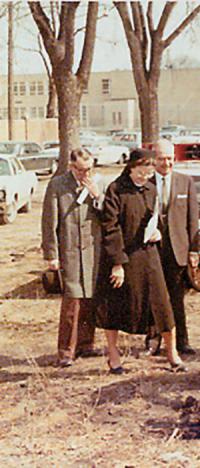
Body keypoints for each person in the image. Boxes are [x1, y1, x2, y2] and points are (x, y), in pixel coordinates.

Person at [95, 149, 186, 374]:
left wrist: (159, 233)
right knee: (114, 307)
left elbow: (156, 219)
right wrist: (117, 263)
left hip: (148, 254)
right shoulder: (116, 190)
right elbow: (110, 227)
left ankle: (172, 353)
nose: (144, 178)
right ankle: (113, 356)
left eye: (148, 174)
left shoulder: (152, 189)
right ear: (131, 167)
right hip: (122, 257)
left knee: (162, 304)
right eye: (140, 173)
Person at [41, 149, 105, 367]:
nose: (85, 174)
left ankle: (86, 344)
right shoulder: (57, 185)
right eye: (81, 170)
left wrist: (97, 196)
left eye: (89, 169)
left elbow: (109, 215)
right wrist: (51, 254)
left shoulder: (98, 184)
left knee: (89, 299)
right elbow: (49, 222)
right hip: (69, 251)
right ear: (71, 167)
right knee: (72, 301)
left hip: (92, 252)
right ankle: (66, 351)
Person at [146, 139, 199, 355]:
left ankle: (182, 341)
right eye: (161, 159)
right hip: (153, 249)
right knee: (154, 296)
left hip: (178, 250)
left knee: (177, 298)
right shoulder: (146, 183)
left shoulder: (185, 182)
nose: (166, 163)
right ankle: (153, 340)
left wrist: (193, 250)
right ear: (153, 160)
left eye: (169, 159)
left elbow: (192, 219)